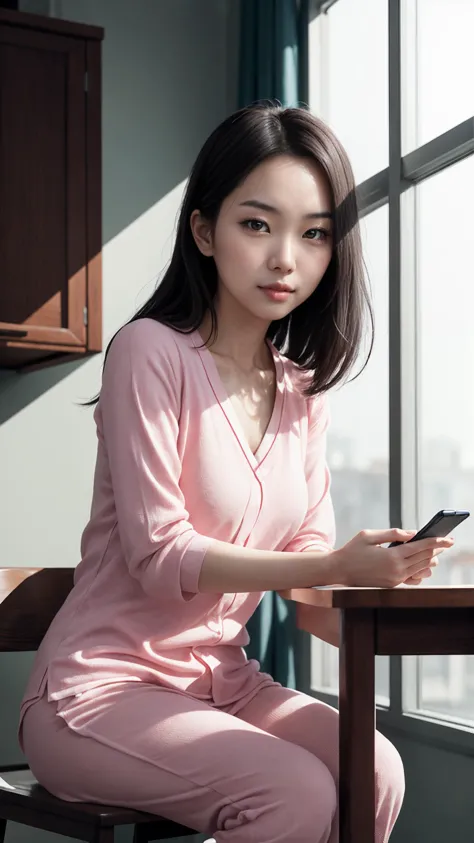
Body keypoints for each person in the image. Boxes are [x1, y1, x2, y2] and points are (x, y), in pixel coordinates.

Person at [19, 103, 453, 843]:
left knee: (376, 771)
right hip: (99, 691)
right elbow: (160, 557)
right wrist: (327, 560)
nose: (286, 257)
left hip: (221, 685)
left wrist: (370, 578)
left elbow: (308, 599)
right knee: (294, 796)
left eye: (314, 232)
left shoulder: (301, 392)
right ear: (203, 231)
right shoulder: (148, 352)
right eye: (258, 224)